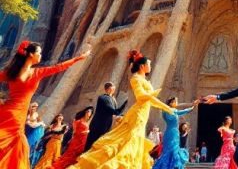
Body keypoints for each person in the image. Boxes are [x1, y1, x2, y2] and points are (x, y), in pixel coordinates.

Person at [70, 49, 174, 169]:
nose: (150, 66)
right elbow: (141, 97)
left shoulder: (144, 80)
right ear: (142, 66)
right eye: (149, 64)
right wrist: (154, 95)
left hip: (144, 114)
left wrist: (166, 107)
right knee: (128, 141)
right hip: (138, 113)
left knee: (135, 143)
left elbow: (150, 100)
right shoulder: (135, 79)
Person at [0, 40, 90, 169]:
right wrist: (79, 58)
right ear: (31, 54)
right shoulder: (36, 73)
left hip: (7, 111)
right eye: (39, 52)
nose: (41, 55)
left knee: (8, 144)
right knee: (13, 147)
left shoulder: (12, 72)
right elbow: (60, 67)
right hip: (17, 116)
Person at [153, 97, 197, 169]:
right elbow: (182, 110)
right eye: (175, 102)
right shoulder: (169, 110)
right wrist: (192, 106)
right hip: (171, 133)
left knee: (173, 150)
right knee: (170, 150)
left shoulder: (170, 110)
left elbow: (183, 110)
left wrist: (192, 106)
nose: (177, 103)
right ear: (171, 103)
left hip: (173, 133)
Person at [83, 82, 127, 152]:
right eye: (113, 87)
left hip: (105, 126)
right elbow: (114, 111)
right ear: (109, 88)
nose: (114, 89)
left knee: (97, 147)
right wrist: (125, 104)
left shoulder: (112, 99)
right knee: (90, 145)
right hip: (98, 126)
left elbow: (116, 112)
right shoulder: (103, 98)